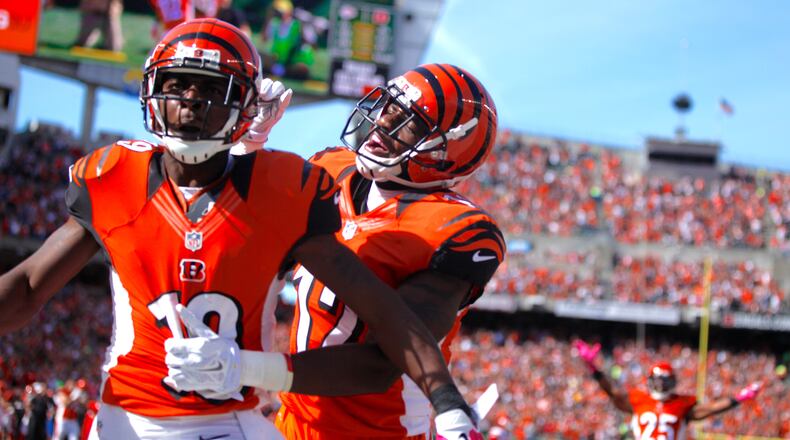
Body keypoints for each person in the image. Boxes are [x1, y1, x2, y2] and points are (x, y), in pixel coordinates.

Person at [0, 18, 474, 439]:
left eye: (209, 89)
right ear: (150, 92)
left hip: (231, 417)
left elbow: (383, 309)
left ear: (244, 106)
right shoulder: (112, 176)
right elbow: (25, 286)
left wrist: (447, 402)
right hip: (127, 415)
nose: (188, 103)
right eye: (177, 84)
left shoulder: (282, 190)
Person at [164, 63, 501, 440]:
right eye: (387, 107)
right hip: (291, 426)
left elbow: (381, 364)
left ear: (447, 150)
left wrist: (245, 367)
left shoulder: (456, 229)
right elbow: (241, 227)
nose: (382, 123)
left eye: (407, 120)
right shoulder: (331, 168)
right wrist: (244, 144)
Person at [574, 340, 764, 439]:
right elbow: (612, 393)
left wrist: (740, 398)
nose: (660, 385)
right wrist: (594, 369)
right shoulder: (638, 400)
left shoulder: (681, 404)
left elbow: (711, 408)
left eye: (664, 381)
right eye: (657, 380)